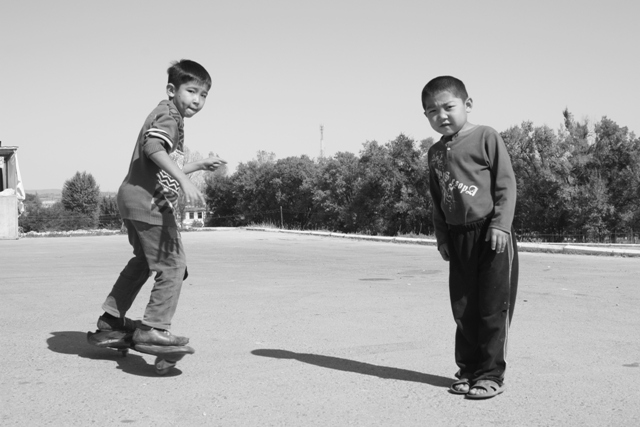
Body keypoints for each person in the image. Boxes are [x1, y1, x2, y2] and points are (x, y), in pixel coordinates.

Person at [95, 59, 225, 346]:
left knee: (143, 262)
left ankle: (111, 320)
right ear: (171, 89)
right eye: (191, 91)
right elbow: (153, 148)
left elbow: (163, 165)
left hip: (134, 198)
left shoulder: (167, 117)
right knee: (173, 264)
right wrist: (186, 181)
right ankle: (153, 327)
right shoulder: (168, 116)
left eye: (203, 95)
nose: (198, 100)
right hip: (149, 203)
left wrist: (199, 165)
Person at [422, 76, 518, 399]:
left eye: (448, 107)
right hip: (458, 237)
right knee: (464, 308)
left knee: (492, 307)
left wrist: (501, 225)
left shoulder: (485, 137)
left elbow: (506, 185)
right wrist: (442, 237)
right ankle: (468, 370)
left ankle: (491, 373)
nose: (442, 115)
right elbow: (438, 200)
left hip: (492, 235)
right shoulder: (435, 153)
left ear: (467, 105)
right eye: (432, 111)